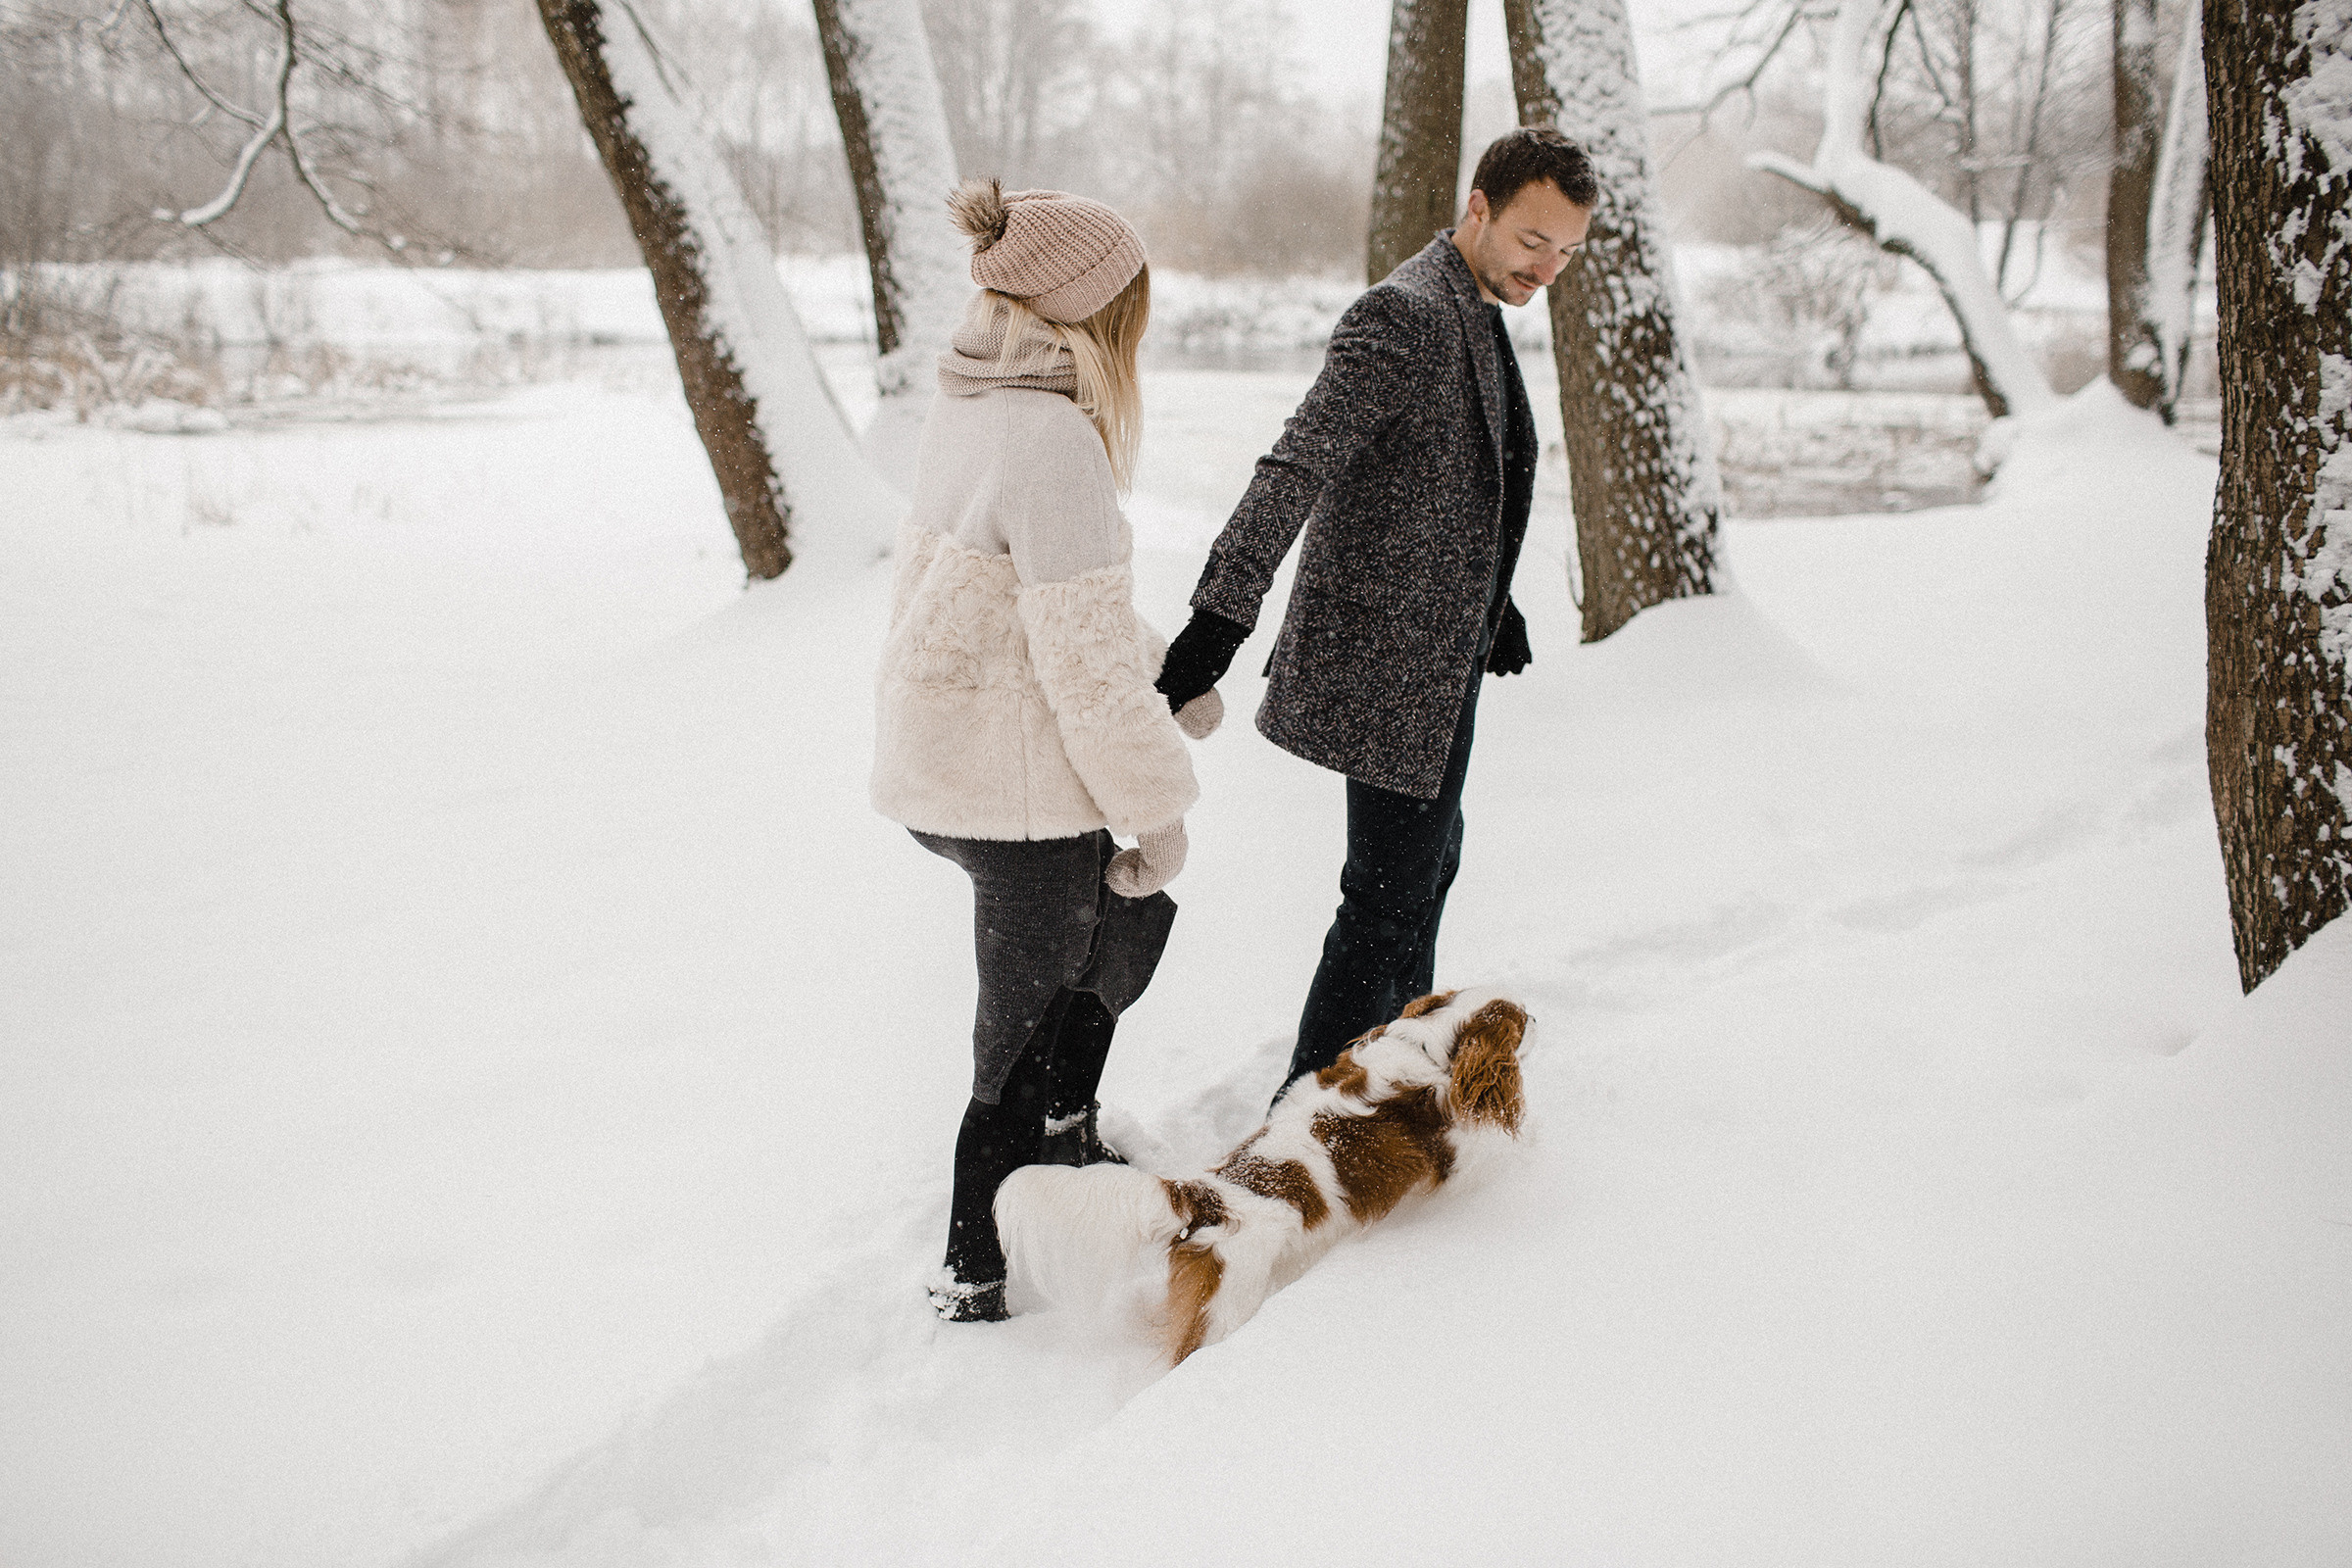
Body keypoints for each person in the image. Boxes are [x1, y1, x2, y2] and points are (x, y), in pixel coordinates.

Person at [1152, 127, 1597, 1094]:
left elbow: (1455, 475)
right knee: (1386, 900)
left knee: (1426, 872)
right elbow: (1296, 464)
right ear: (1477, 208)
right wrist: (1221, 615)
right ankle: (1308, 1116)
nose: (1547, 269)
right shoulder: (1404, 315)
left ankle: (1388, 1082)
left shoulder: (1476, 303)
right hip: (1390, 665)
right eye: (1534, 241)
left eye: (1567, 251)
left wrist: (1494, 600)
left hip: (1442, 655)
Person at [873, 179, 1220, 1324]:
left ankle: (1067, 1137)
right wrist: (1160, 813)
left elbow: (1040, 604)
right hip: (1009, 787)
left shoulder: (970, 404)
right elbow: (1080, 666)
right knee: (1018, 1031)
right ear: (1092, 313)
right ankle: (974, 1272)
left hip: (943, 762)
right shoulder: (1054, 440)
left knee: (1110, 931)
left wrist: (1168, 673)